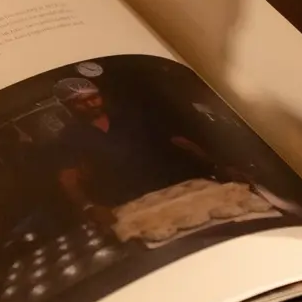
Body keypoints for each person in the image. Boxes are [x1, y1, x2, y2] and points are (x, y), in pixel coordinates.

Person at [49, 75, 215, 225]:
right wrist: (89, 207)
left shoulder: (129, 115)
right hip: (126, 203)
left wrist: (215, 166)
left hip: (169, 188)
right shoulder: (69, 136)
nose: (91, 104)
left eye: (94, 97)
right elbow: (68, 178)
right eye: (81, 102)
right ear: (68, 106)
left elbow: (178, 140)